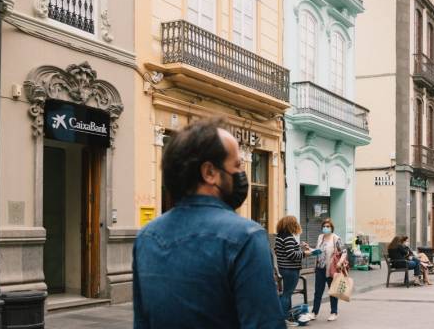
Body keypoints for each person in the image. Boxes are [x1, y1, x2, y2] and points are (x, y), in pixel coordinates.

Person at [133, 118, 285, 329]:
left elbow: (141, 323)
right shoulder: (247, 237)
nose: (242, 174)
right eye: (238, 165)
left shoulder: (146, 238)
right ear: (210, 173)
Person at [274, 216, 311, 326]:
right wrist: (305, 254)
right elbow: (291, 255)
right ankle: (283, 320)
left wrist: (299, 246)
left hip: (284, 268)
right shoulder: (289, 237)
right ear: (291, 224)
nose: (297, 225)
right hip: (290, 269)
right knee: (287, 294)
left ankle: (286, 318)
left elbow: (283, 251)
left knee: (286, 294)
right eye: (295, 223)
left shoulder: (280, 236)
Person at [310, 218, 347, 322]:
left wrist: (340, 262)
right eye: (324, 227)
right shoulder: (320, 237)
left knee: (333, 291)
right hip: (319, 268)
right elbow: (318, 251)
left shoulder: (336, 238)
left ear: (331, 228)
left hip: (331, 269)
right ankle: (314, 312)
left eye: (328, 226)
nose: (325, 228)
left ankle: (334, 312)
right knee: (318, 292)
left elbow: (344, 252)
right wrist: (310, 248)